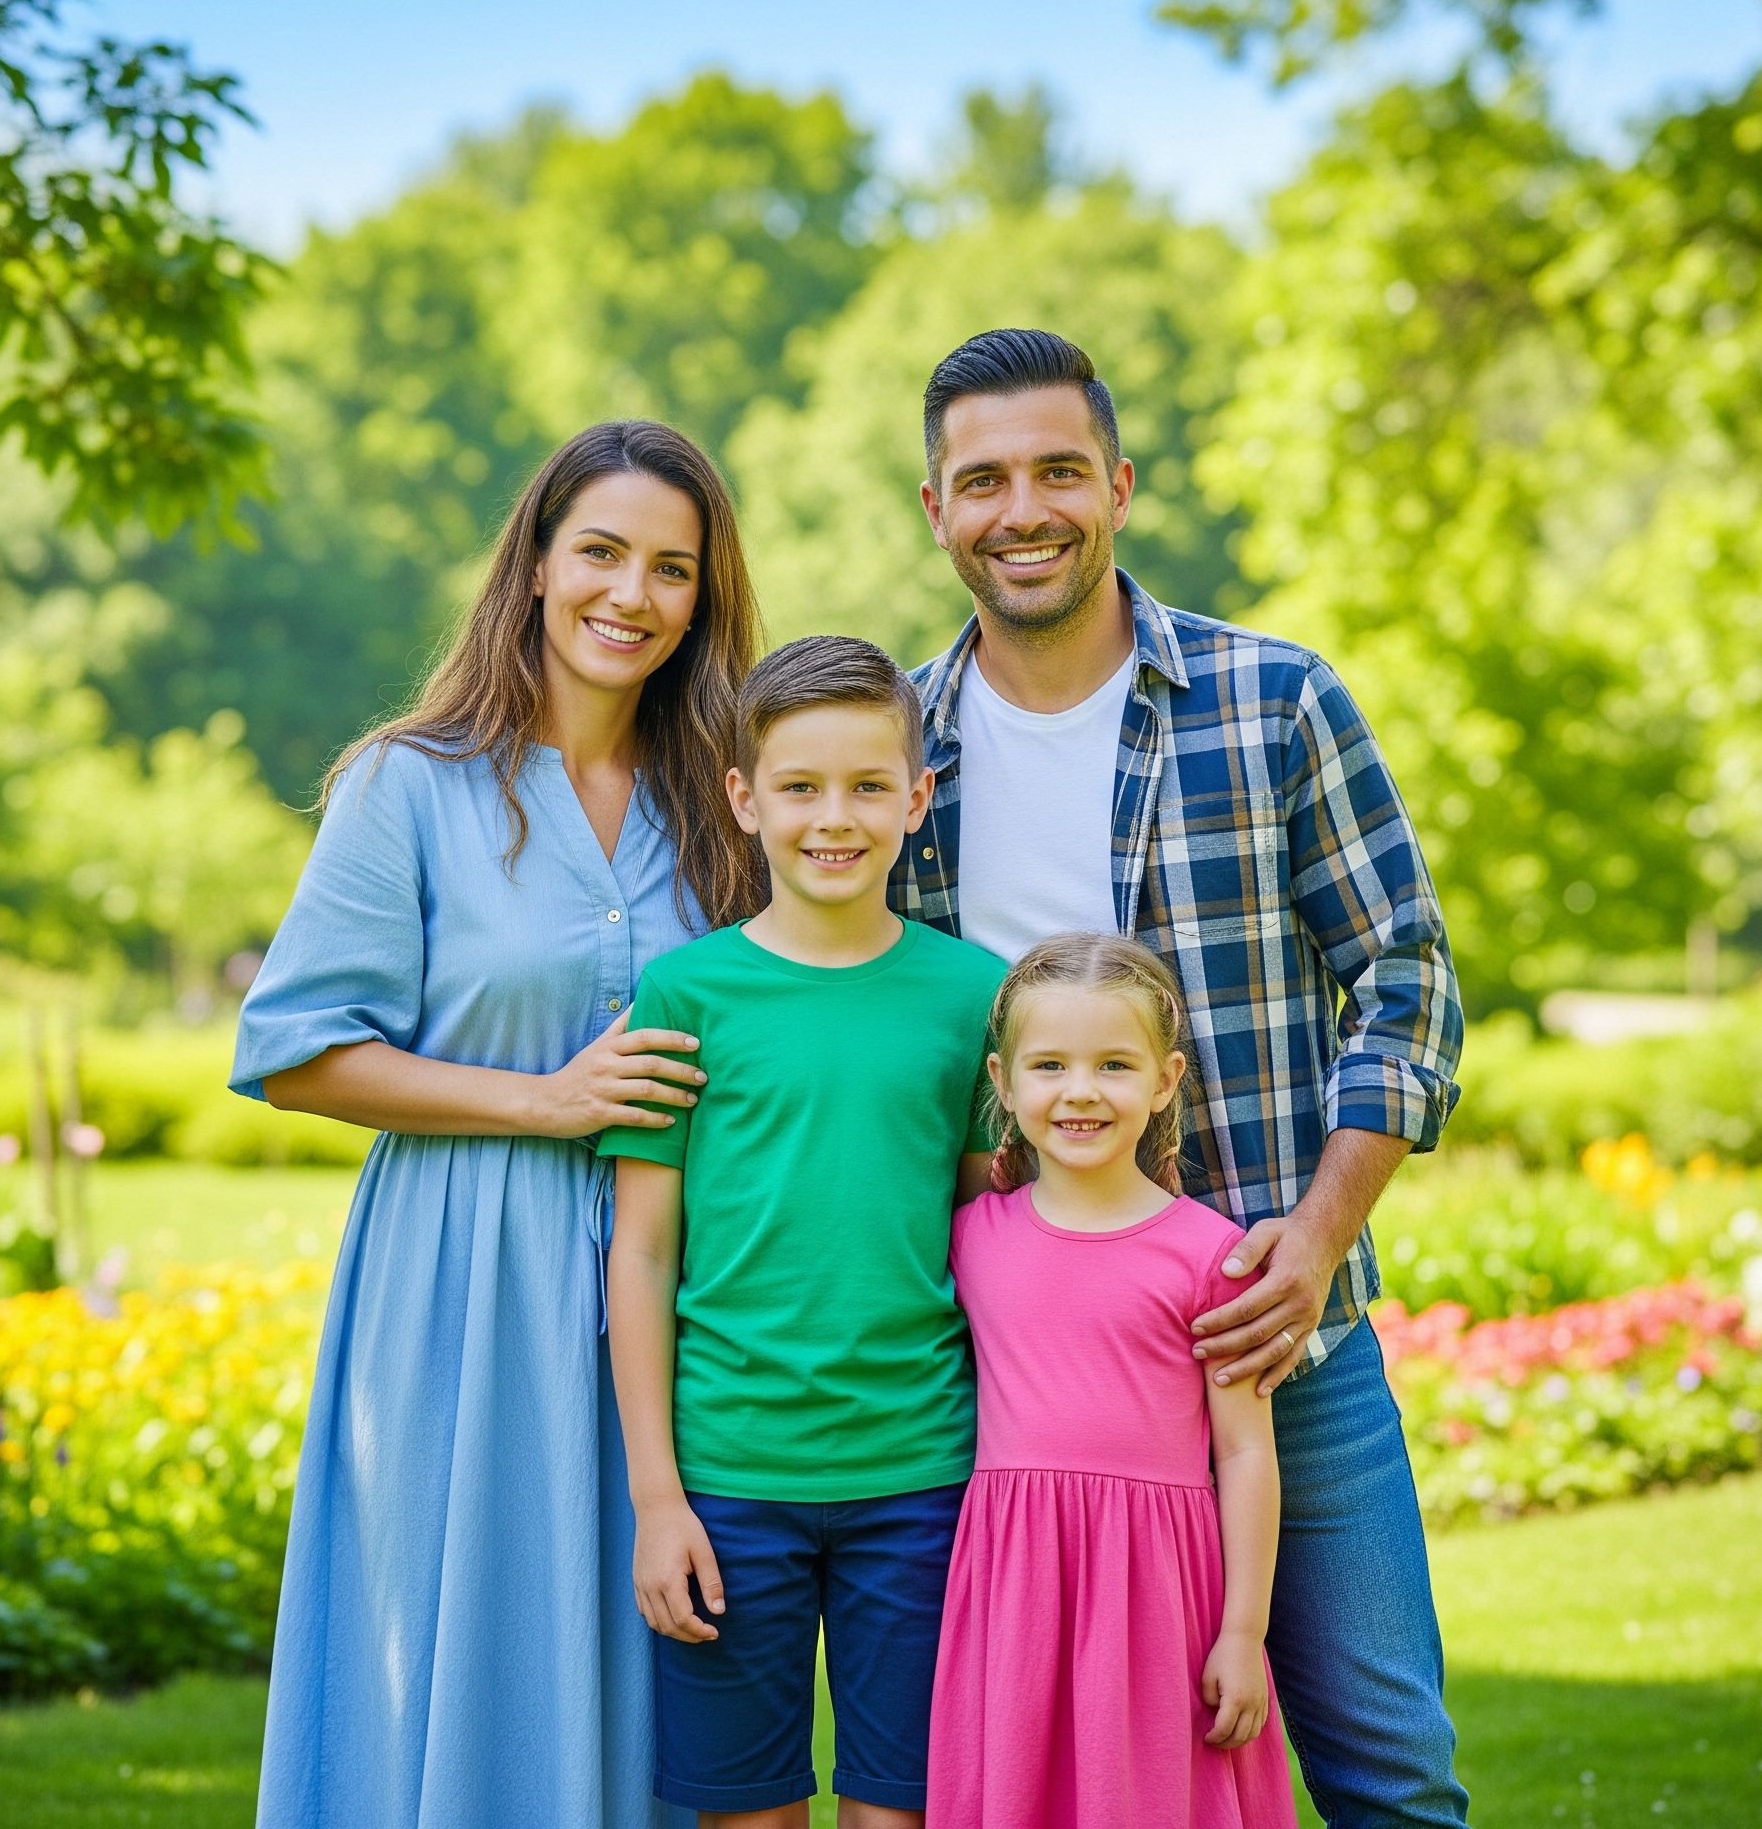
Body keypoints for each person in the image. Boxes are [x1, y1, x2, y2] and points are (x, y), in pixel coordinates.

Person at [889, 329, 1469, 1828]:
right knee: (1042, 1780)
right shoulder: (899, 756)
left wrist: (1320, 1233)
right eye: (985, 480)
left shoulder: (1271, 702)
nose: (1026, 508)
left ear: (1122, 487)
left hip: (1284, 1351)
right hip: (1023, 1398)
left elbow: (1407, 977)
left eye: (1060, 471)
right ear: (936, 509)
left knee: (1392, 1778)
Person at [231, 420, 764, 1829]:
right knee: (452, 1640)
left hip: (676, 1292)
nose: (630, 595)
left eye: (671, 568)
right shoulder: (409, 783)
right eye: (599, 553)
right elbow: (296, 1053)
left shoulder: (724, 809)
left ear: (705, 598)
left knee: (654, 1649)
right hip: (460, 1279)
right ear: (534, 566)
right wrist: (546, 1101)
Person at [601, 636, 1006, 1829]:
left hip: (923, 1476)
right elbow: (641, 1251)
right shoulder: (685, 993)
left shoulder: (973, 993)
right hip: (729, 1479)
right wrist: (657, 1498)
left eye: (869, 785)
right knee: (747, 1813)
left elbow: (989, 1224)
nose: (835, 816)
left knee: (903, 1810)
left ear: (918, 795)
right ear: (743, 798)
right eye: (800, 786)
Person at [929, 931, 1299, 1829]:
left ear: (1167, 1081)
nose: (1081, 1091)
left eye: (1115, 1065)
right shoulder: (972, 1237)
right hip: (1016, 1582)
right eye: (1049, 1065)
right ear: (1004, 1084)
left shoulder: (1211, 1255)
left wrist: (1243, 1632)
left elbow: (1246, 1452)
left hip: (1157, 1591)